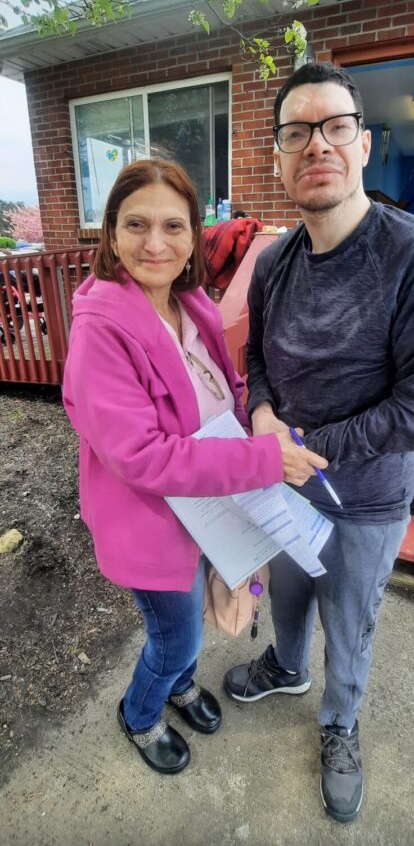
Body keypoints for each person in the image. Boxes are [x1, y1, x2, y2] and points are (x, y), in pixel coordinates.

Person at [223, 62, 414, 823]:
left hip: (365, 499)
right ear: (278, 157)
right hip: (285, 483)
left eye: (335, 127)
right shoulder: (273, 262)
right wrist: (263, 413)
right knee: (289, 595)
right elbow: (258, 358)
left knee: (351, 622)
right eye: (297, 132)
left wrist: (306, 447)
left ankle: (339, 722)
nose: (317, 145)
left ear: (362, 144)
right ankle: (287, 666)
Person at [63, 158, 326, 777]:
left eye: (173, 226)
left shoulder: (190, 303)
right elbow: (143, 456)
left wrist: (260, 417)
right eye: (136, 224)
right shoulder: (100, 332)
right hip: (152, 521)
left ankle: (179, 686)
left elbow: (223, 386)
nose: (155, 243)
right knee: (176, 634)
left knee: (192, 623)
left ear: (192, 236)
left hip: (207, 505)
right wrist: (263, 459)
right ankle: (140, 713)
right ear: (111, 234)